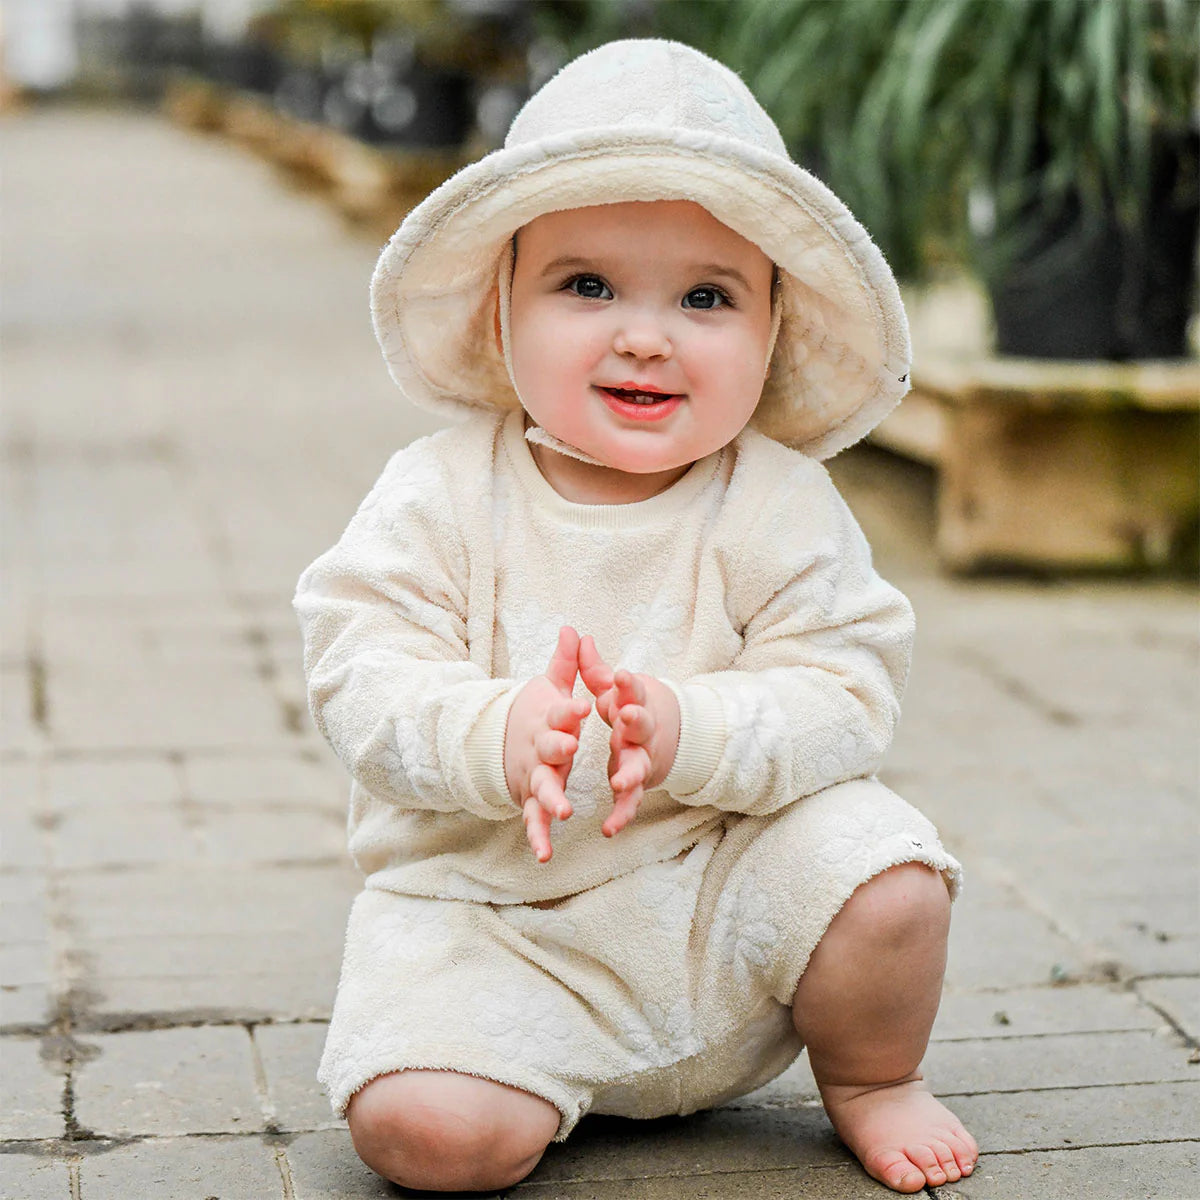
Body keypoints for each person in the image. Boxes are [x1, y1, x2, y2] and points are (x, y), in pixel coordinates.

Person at [294, 38, 977, 1195]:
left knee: (890, 877)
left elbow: (849, 690)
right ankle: (507, 1077)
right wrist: (495, 733)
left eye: (706, 297)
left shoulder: (778, 501)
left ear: (772, 332)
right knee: (425, 1135)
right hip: (494, 918)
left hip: (724, 904)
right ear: (502, 309)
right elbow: (361, 670)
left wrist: (688, 726)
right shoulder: (438, 491)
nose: (645, 335)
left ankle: (870, 1078)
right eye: (588, 286)